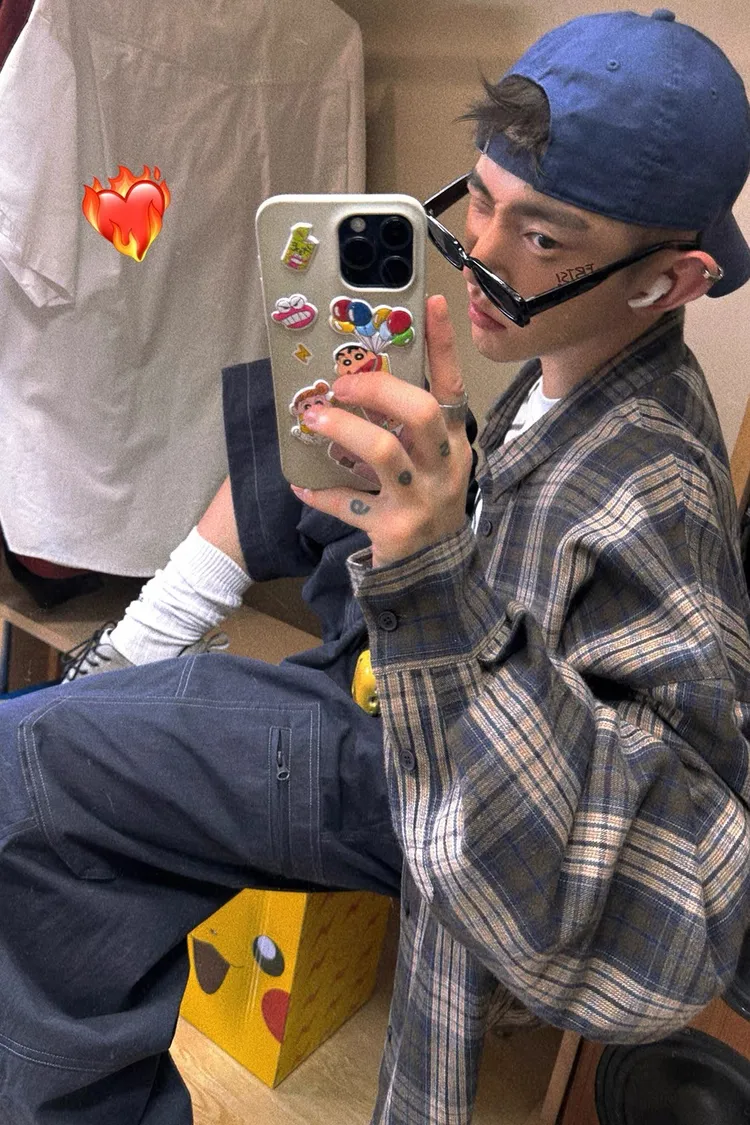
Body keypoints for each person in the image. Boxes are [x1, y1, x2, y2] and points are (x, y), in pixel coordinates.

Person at [2, 9, 750, 1124]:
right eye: (480, 199)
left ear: (668, 282)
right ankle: (136, 645)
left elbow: (685, 911)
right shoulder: (570, 361)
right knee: (328, 420)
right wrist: (431, 498)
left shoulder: (657, 485)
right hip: (422, 660)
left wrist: (434, 568)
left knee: (31, 768)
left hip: (426, 757)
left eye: (544, 237)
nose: (482, 252)